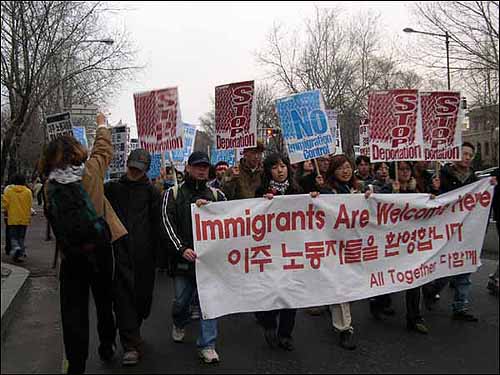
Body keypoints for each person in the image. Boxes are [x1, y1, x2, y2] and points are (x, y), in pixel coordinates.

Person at [41, 113, 128, 374]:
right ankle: (107, 343)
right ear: (79, 152)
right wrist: (102, 124)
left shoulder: (49, 186)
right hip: (100, 252)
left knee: (73, 311)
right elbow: (103, 148)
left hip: (71, 257)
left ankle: (76, 363)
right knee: (104, 301)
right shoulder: (92, 171)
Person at [161, 151, 226, 364]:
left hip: (209, 262)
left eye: (205, 167)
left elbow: (235, 219)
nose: (201, 170)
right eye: (197, 166)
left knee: (209, 302)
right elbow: (166, 223)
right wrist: (181, 249)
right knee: (182, 301)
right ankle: (179, 321)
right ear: (188, 168)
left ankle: (207, 344)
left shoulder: (217, 196)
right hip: (184, 259)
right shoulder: (174, 194)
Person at [423, 142, 494, 321]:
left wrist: (491, 185)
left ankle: (460, 306)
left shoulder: (476, 180)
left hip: (468, 232)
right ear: (455, 155)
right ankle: (432, 290)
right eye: (464, 154)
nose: (467, 158)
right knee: (447, 270)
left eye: (470, 155)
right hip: (447, 231)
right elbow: (435, 203)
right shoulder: (443, 176)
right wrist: (435, 189)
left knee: (464, 269)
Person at [104, 149, 161, 366]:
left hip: (145, 256)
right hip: (119, 253)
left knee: (142, 300)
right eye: (132, 168)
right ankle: (130, 344)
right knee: (123, 298)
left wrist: (160, 256)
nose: (134, 172)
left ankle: (133, 331)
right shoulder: (112, 188)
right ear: (126, 165)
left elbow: (157, 223)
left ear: (145, 170)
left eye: (139, 169)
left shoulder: (152, 193)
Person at [254, 153, 303, 352]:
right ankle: (268, 322)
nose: (280, 170)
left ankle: (285, 334)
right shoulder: (261, 191)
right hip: (269, 251)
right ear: (268, 171)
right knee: (271, 290)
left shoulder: (297, 190)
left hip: (293, 251)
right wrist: (262, 204)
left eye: (283, 166)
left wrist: (314, 196)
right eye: (275, 167)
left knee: (291, 293)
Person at [317, 155, 358, 350]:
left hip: (356, 246)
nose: (345, 171)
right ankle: (344, 328)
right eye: (341, 167)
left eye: (348, 167)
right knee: (341, 288)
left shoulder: (358, 190)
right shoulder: (326, 192)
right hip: (334, 247)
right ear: (333, 170)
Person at [1, 174, 33, 263]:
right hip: (24, 218)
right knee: (21, 237)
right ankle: (20, 253)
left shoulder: (9, 191)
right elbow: (30, 204)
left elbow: (5, 204)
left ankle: (16, 247)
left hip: (13, 217)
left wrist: (5, 210)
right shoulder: (28, 192)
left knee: (13, 236)